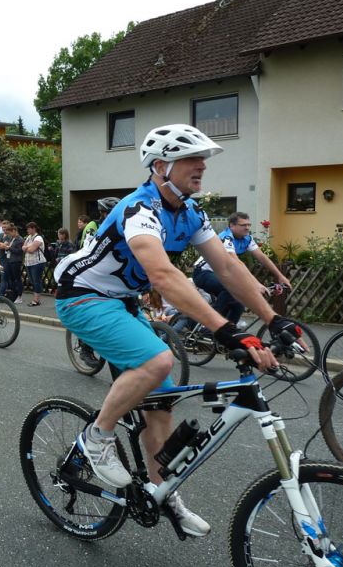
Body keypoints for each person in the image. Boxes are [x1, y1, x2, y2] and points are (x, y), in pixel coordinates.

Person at [54, 123, 298, 537]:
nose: (202, 166)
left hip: (122, 301)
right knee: (157, 360)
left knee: (161, 399)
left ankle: (161, 489)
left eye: (203, 159)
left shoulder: (189, 213)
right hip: (83, 295)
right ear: (161, 165)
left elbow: (227, 266)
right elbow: (164, 275)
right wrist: (224, 330)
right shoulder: (139, 209)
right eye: (192, 159)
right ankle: (96, 438)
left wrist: (273, 318)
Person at [192, 212, 291, 325]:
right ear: (231, 225)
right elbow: (237, 262)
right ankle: (211, 325)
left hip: (222, 274)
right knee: (229, 290)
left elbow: (262, 257)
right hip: (203, 273)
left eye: (249, 225)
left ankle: (229, 332)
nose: (247, 227)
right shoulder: (226, 238)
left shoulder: (247, 239)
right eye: (243, 225)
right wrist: (256, 284)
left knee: (239, 301)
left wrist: (280, 276)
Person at [22, 222, 46, 307]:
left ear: (33, 228)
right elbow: (23, 248)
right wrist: (28, 247)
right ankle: (36, 298)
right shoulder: (29, 237)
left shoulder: (38, 238)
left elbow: (31, 250)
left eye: (29, 228)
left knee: (36, 281)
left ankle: (36, 300)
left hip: (37, 262)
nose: (27, 230)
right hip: (29, 263)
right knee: (32, 280)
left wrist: (27, 247)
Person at [5, 224, 24, 304]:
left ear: (14, 231)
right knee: (11, 279)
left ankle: (19, 296)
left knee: (17, 279)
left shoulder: (20, 239)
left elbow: (19, 251)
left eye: (10, 233)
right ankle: (14, 295)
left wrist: (9, 248)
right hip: (10, 260)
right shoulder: (12, 239)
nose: (9, 235)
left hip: (16, 261)